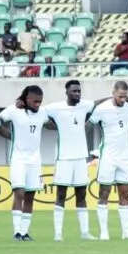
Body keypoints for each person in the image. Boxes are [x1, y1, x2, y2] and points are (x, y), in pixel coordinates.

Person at [45, 80, 96, 242]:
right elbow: (38, 113)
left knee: (81, 195)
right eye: (74, 91)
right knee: (61, 194)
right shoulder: (55, 108)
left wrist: (114, 97)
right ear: (66, 92)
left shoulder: (85, 105)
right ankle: (58, 234)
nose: (77, 94)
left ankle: (85, 233)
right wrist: (49, 125)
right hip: (64, 158)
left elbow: (98, 103)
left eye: (79, 91)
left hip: (80, 158)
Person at [89, 81, 128, 240]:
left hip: (125, 157)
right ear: (113, 93)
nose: (123, 100)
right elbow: (89, 125)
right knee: (104, 193)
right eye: (120, 96)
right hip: (108, 157)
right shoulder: (101, 109)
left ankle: (126, 232)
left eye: (125, 96)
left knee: (125, 193)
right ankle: (104, 232)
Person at [0, 85, 49, 241]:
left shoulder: (43, 112)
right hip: (18, 159)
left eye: (40, 101)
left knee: (30, 196)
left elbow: (52, 123)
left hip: (35, 160)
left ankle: (25, 232)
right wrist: (9, 135)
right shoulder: (13, 110)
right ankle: (16, 232)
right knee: (19, 193)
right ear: (27, 99)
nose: (38, 104)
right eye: (35, 101)